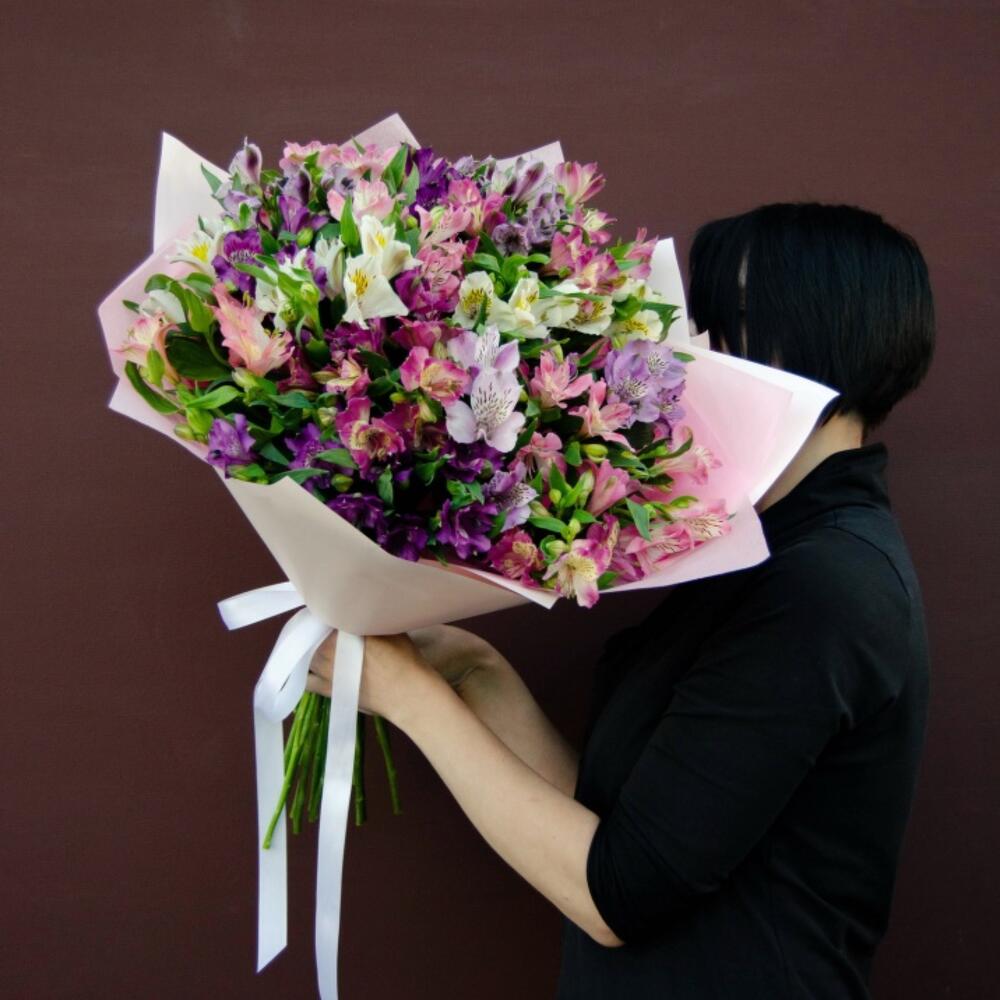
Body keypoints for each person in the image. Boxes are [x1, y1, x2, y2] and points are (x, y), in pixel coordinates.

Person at [306, 202, 935, 999]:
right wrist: (473, 674)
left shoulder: (826, 585)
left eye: (725, 318)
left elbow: (616, 894)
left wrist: (411, 699)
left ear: (816, 332)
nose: (696, 348)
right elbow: (627, 824)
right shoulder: (763, 551)